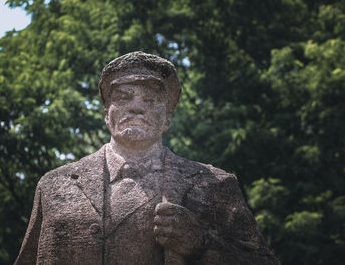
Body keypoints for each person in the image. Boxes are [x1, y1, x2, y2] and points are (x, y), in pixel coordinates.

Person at [15, 52, 280, 264]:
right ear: (107, 114)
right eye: (124, 97)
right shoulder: (54, 186)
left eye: (152, 100)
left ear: (168, 119)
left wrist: (201, 243)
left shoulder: (213, 185)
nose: (137, 106)